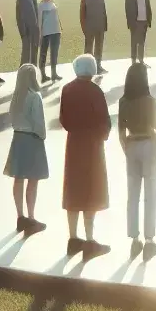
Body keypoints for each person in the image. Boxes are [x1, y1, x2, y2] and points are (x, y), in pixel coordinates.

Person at [60, 54, 112, 258]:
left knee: (73, 189)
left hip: (73, 144)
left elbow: (64, 119)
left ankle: (73, 238)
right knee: (91, 190)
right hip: (92, 146)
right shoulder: (95, 91)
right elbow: (104, 120)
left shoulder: (67, 89)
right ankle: (90, 240)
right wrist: (102, 136)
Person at [117, 62, 156, 249]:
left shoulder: (123, 102)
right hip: (150, 144)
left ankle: (134, 239)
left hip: (132, 145)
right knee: (151, 194)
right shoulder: (150, 101)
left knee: (132, 195)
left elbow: (121, 132)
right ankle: (149, 239)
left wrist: (127, 149)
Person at [3, 62, 50, 235]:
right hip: (32, 139)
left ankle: (20, 215)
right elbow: (39, 122)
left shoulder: (16, 97)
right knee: (33, 179)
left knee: (18, 178)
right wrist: (42, 135)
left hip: (18, 138)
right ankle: (31, 216)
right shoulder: (34, 96)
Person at [36, 0, 63, 80]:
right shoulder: (41, 5)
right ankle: (43, 75)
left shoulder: (52, 3)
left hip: (56, 31)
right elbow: (39, 20)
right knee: (43, 53)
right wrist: (40, 34)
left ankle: (54, 73)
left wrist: (60, 28)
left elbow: (56, 17)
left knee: (54, 53)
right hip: (46, 32)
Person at [79, 0, 108, 65]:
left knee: (99, 48)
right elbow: (82, 15)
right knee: (88, 49)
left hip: (100, 26)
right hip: (89, 28)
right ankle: (87, 66)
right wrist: (84, 29)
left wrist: (105, 25)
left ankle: (98, 66)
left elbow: (104, 11)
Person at [14, 0, 41, 71]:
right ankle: (22, 76)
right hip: (27, 31)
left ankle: (33, 75)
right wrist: (23, 31)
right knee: (26, 56)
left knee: (34, 54)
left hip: (35, 30)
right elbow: (20, 16)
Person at [125, 0, 153, 64]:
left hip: (144, 21)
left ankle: (141, 60)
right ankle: (133, 61)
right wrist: (130, 22)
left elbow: (148, 7)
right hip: (135, 22)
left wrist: (149, 20)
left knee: (142, 42)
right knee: (134, 42)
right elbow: (127, 8)